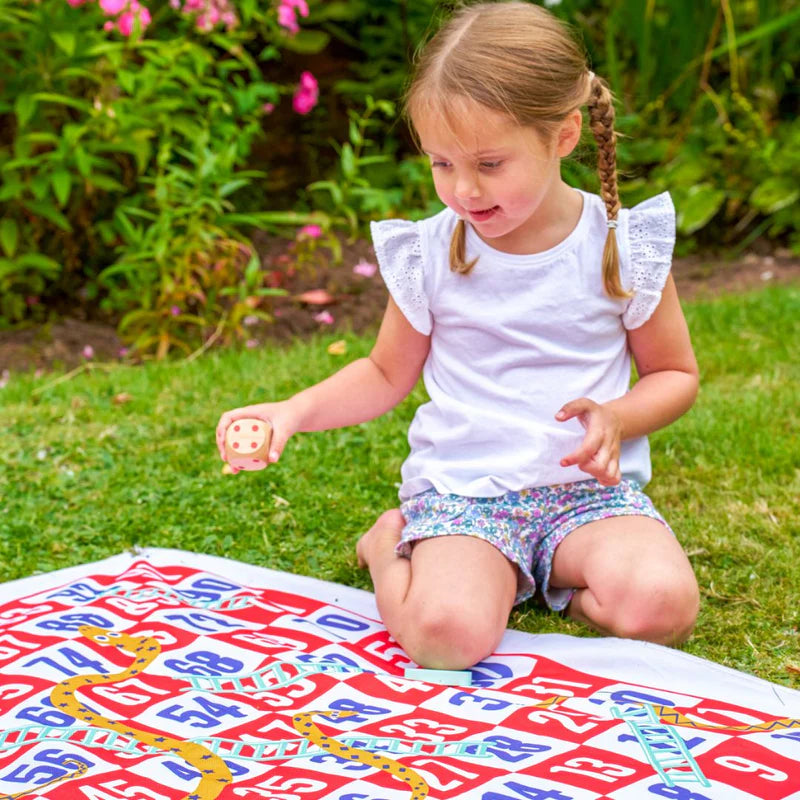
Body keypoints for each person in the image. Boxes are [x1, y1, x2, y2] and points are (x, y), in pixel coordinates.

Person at [216, 0, 700, 670]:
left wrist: (618, 417)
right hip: (467, 495)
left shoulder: (622, 245)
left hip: (589, 501)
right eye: (442, 164)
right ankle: (391, 546)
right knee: (445, 636)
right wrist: (290, 412)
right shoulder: (432, 252)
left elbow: (676, 375)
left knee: (662, 608)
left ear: (561, 136)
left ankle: (542, 579)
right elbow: (386, 374)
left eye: (489, 164)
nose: (463, 190)